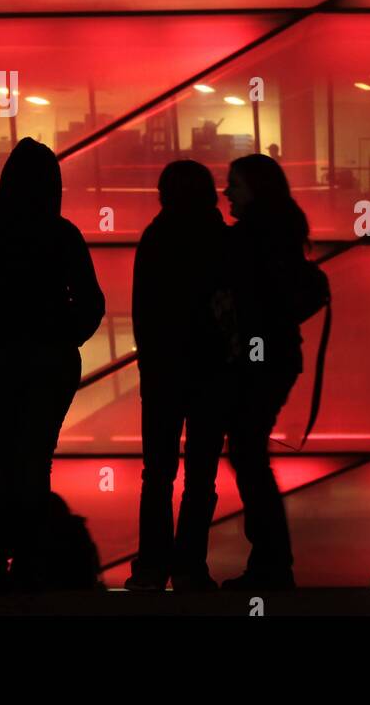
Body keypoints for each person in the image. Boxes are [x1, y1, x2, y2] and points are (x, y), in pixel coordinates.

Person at [0, 138, 105, 592]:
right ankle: (26, 559)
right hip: (47, 364)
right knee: (34, 461)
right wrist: (62, 337)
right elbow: (91, 304)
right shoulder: (61, 233)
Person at [125, 161, 231, 592]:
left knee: (158, 473)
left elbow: (143, 311)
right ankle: (190, 566)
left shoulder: (156, 237)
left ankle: (152, 566)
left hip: (164, 371)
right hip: (210, 371)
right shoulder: (221, 240)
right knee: (201, 475)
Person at [218, 153, 311, 590]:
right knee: (249, 454)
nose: (227, 192)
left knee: (247, 455)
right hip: (276, 359)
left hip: (259, 361)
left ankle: (271, 563)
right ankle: (273, 563)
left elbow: (250, 307)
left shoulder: (250, 238)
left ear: (255, 189)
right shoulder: (281, 232)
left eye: (234, 184)